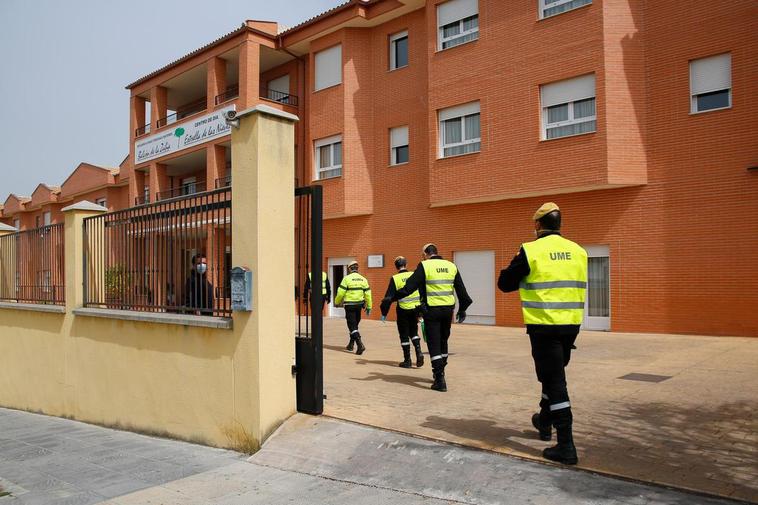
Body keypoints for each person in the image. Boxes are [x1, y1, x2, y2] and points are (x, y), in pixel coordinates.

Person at [497, 202, 588, 465]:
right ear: (559, 224)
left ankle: (566, 445)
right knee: (552, 375)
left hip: (544, 325)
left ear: (537, 225)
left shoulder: (530, 250)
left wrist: (519, 266)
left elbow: (505, 284)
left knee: (556, 383)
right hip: (571, 324)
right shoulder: (578, 251)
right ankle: (544, 421)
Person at [392, 244, 472, 392]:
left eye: (422, 254)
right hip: (448, 311)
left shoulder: (425, 265)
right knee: (443, 341)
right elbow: (463, 293)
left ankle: (439, 379)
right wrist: (462, 309)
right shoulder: (451, 266)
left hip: (432, 311)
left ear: (425, 253)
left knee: (434, 343)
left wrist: (391, 298)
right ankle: (441, 371)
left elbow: (409, 287)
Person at [380, 256, 424, 368]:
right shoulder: (413, 275)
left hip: (403, 310)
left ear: (396, 266)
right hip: (416, 309)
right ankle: (419, 353)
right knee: (414, 332)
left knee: (404, 335)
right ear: (406, 264)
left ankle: (407, 360)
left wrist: (384, 313)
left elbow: (388, 298)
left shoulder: (395, 278)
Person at [334, 261, 372, 355]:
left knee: (352, 326)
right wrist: (369, 306)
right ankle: (351, 345)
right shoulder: (363, 279)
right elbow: (368, 294)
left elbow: (340, 293)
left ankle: (360, 345)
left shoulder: (346, 279)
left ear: (350, 269)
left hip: (349, 306)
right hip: (359, 305)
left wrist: (337, 302)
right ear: (357, 268)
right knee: (355, 325)